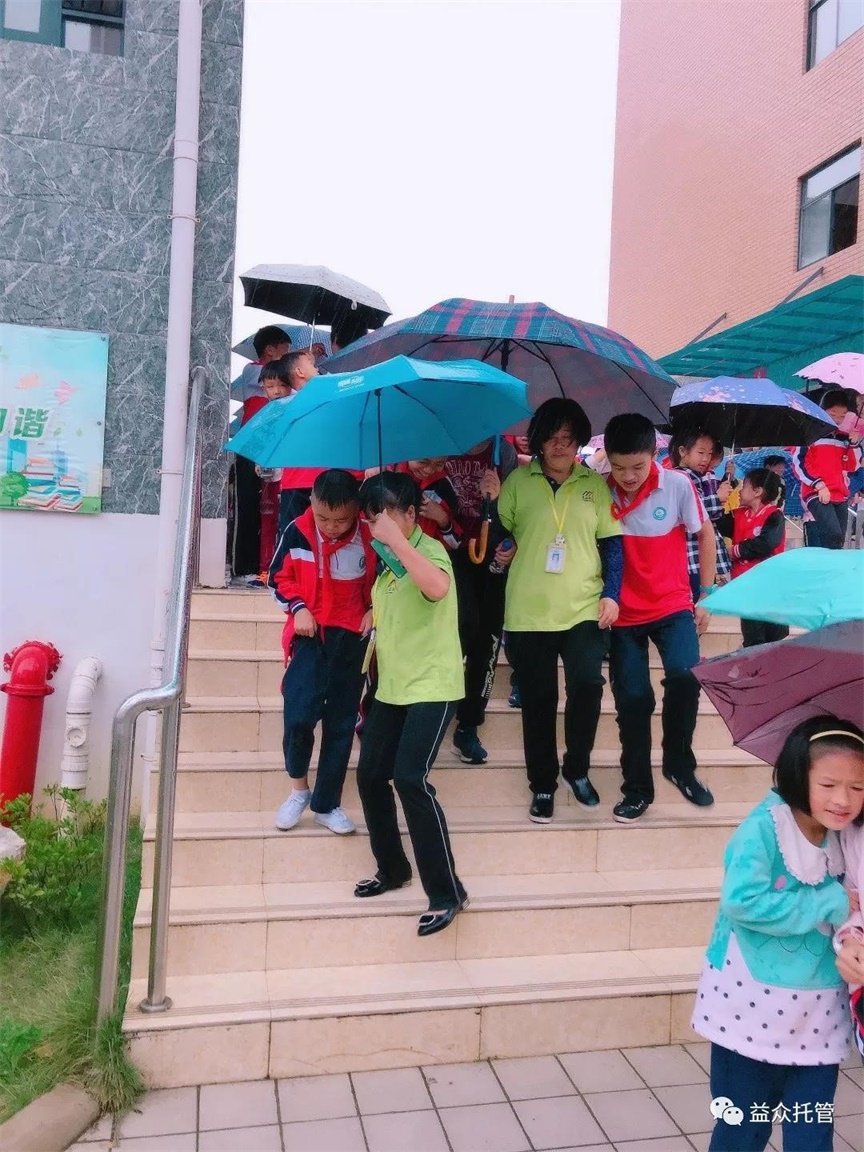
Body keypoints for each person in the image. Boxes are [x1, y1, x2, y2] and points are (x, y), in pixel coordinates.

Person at [692, 717, 864, 1152]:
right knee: (742, 1129)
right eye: (828, 785)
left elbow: (856, 902)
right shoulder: (765, 829)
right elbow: (741, 901)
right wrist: (828, 903)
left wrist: (852, 936)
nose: (843, 800)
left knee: (811, 1134)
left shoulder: (848, 836)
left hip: (818, 1017)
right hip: (749, 1012)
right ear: (797, 775)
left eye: (858, 787)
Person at [495, 399, 623, 823]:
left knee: (587, 684)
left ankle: (577, 769)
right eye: (552, 437)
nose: (560, 445)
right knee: (538, 699)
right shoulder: (517, 481)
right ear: (538, 440)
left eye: (568, 438)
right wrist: (500, 542)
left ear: (580, 440)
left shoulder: (594, 485)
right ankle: (543, 784)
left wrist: (612, 593)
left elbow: (612, 543)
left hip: (584, 605)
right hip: (529, 608)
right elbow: (501, 534)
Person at [353, 472, 468, 937]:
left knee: (409, 778)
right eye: (370, 519)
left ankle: (447, 892)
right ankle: (393, 869)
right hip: (393, 688)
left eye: (382, 516)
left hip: (433, 686)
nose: (375, 526)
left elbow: (436, 588)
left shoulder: (429, 549)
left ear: (409, 514)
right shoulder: (388, 560)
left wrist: (398, 542)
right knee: (369, 775)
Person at [604, 413, 717, 823]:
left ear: (655, 453)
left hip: (671, 605)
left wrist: (706, 595)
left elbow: (705, 534)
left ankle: (679, 764)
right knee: (634, 698)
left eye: (637, 466)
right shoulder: (598, 489)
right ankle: (637, 788)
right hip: (622, 614)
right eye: (619, 467)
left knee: (687, 676)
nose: (628, 476)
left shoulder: (678, 484)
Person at [268, 470, 376, 836]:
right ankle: (298, 789)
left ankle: (327, 804)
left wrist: (375, 609)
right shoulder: (297, 531)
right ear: (311, 503)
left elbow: (388, 580)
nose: (331, 527)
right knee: (299, 714)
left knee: (341, 722)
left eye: (341, 520)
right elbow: (278, 578)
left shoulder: (371, 535)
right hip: (310, 634)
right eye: (323, 518)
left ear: (356, 509)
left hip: (353, 638)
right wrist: (298, 608)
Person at [445, 437, 519, 764]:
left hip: (492, 558)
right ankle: (437, 708)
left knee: (487, 639)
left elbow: (517, 514)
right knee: (462, 627)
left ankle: (469, 724)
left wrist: (500, 500)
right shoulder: (441, 443)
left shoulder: (504, 452)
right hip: (448, 557)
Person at [229, 326, 292, 580]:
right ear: (270, 350)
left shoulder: (284, 382)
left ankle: (266, 567)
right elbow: (278, 372)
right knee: (247, 506)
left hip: (273, 449)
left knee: (270, 509)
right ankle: (243, 568)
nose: (275, 388)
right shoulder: (252, 370)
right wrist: (301, 357)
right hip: (249, 448)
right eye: (286, 350)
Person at [716, 468, 788, 648]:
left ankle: (765, 661)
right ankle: (754, 661)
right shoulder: (738, 514)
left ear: (757, 491)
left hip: (769, 583)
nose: (740, 491)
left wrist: (736, 550)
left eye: (744, 487)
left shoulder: (774, 515)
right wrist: (721, 495)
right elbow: (718, 522)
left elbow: (767, 542)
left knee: (775, 633)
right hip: (746, 584)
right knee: (753, 634)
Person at [791, 390, 862, 550]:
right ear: (821, 410)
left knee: (838, 540)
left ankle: (829, 565)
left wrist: (854, 444)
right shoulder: (808, 434)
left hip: (840, 494)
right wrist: (819, 485)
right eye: (832, 414)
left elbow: (851, 466)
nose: (837, 419)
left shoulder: (843, 437)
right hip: (816, 492)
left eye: (842, 416)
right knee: (833, 535)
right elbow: (799, 463)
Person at [668, 429, 732, 601]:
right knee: (696, 603)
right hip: (692, 557)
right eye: (701, 452)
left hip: (699, 558)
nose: (705, 459)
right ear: (682, 451)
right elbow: (693, 511)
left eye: (709, 453)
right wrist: (717, 498)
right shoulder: (681, 477)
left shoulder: (697, 476)